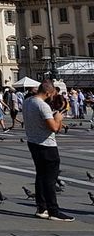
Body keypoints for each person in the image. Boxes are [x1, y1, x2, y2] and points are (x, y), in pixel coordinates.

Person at [23, 80, 73, 221]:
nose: (52, 96)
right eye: (52, 94)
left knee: (40, 175)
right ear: (47, 93)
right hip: (47, 145)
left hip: (33, 143)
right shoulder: (42, 105)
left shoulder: (27, 102)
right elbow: (55, 128)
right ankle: (53, 211)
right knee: (50, 180)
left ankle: (41, 208)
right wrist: (58, 118)